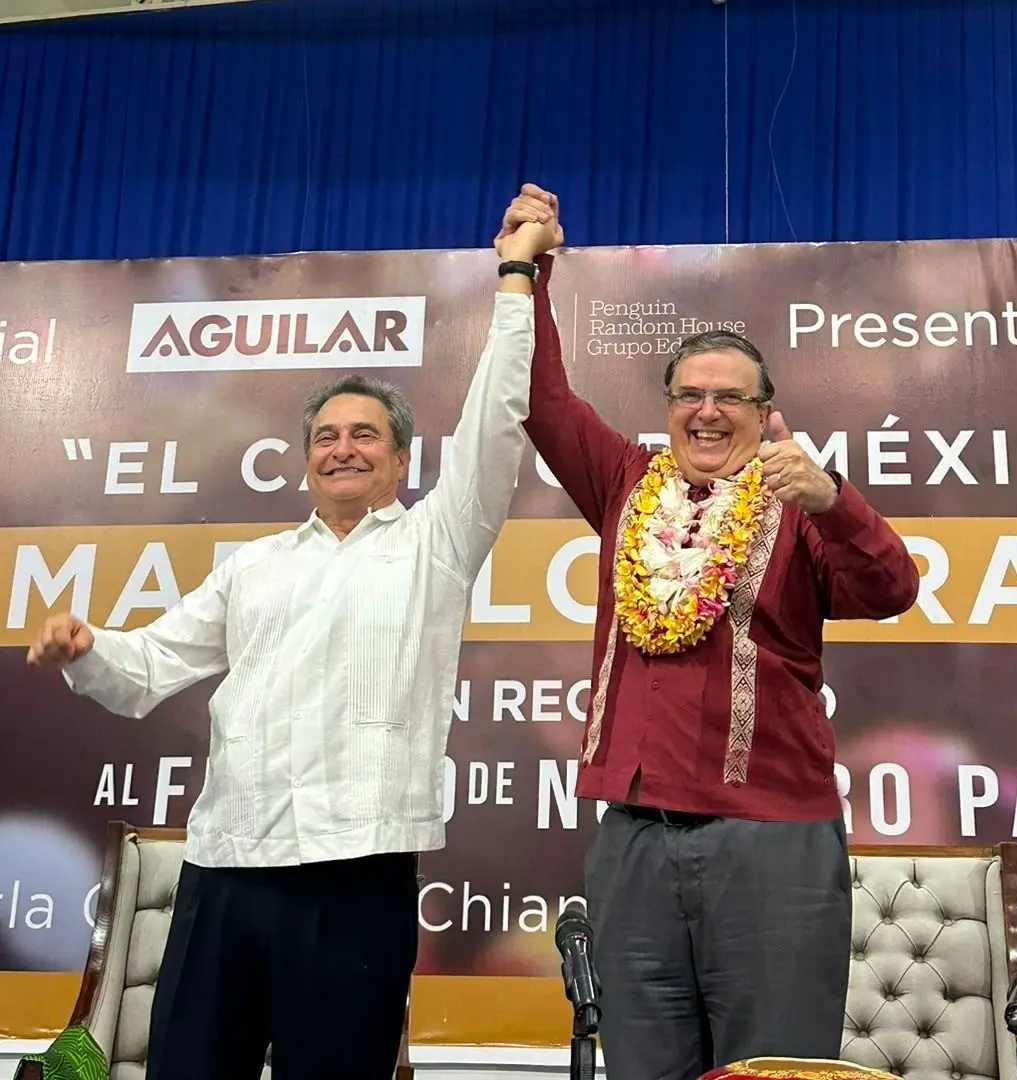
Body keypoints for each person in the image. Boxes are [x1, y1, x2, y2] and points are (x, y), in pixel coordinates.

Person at [24, 205, 563, 1080]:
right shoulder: (253, 566)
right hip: (225, 869)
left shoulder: (437, 543)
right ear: (305, 460)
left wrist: (515, 278)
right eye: (325, 437)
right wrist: (87, 649)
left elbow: (498, 421)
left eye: (364, 436)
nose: (341, 449)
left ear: (400, 461)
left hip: (355, 876)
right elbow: (150, 667)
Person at [501, 185, 921, 1080]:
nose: (707, 412)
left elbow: (892, 589)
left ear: (766, 411)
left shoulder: (798, 500)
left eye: (730, 398)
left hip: (769, 836)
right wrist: (525, 272)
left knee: (768, 1072)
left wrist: (836, 501)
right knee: (644, 1067)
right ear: (666, 406)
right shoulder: (623, 482)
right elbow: (540, 399)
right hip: (635, 836)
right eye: (690, 394)